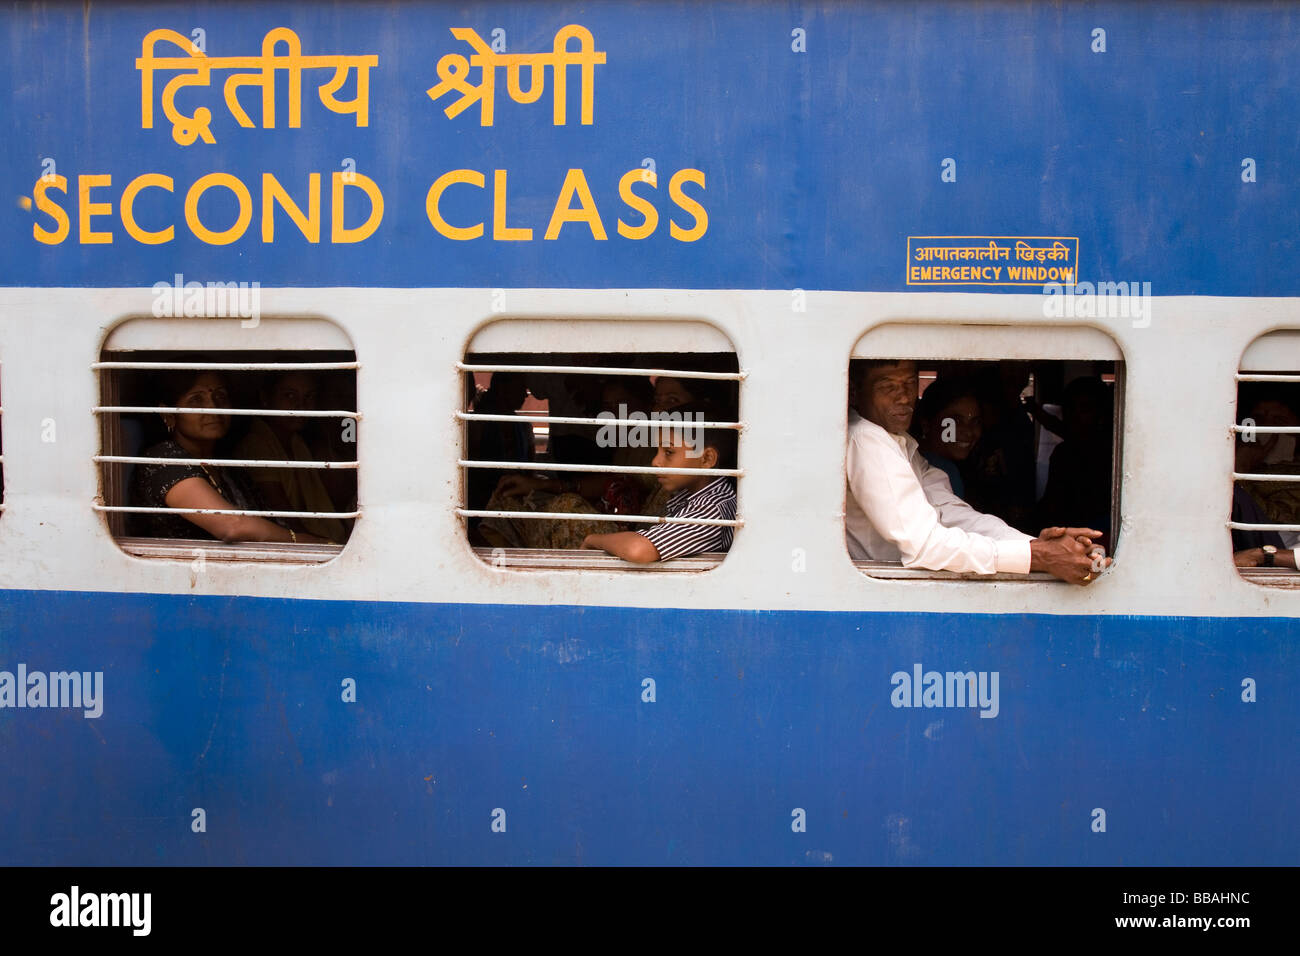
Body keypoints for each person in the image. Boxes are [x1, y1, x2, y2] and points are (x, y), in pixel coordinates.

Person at [845, 360, 1108, 584]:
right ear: (855, 392)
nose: (903, 397)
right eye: (887, 387)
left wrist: (1036, 547)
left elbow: (951, 512)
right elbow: (926, 546)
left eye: (910, 384)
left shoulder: (899, 442)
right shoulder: (866, 439)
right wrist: (1038, 556)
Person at [130, 370, 326, 544]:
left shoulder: (227, 466)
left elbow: (268, 521)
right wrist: (300, 541)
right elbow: (232, 526)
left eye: (220, 396)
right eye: (196, 400)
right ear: (169, 414)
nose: (213, 407)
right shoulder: (163, 460)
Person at [583, 402, 737, 562]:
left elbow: (638, 550)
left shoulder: (711, 509)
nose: (655, 461)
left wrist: (593, 540)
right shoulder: (691, 496)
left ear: (706, 459)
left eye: (668, 452)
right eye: (657, 451)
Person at [234, 371, 348, 543]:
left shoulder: (297, 443)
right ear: (265, 398)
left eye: (309, 396)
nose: (301, 405)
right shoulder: (256, 444)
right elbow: (282, 516)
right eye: (289, 395)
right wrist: (323, 543)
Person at [912, 375, 982, 500]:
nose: (969, 432)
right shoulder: (942, 469)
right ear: (927, 424)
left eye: (975, 422)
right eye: (956, 421)